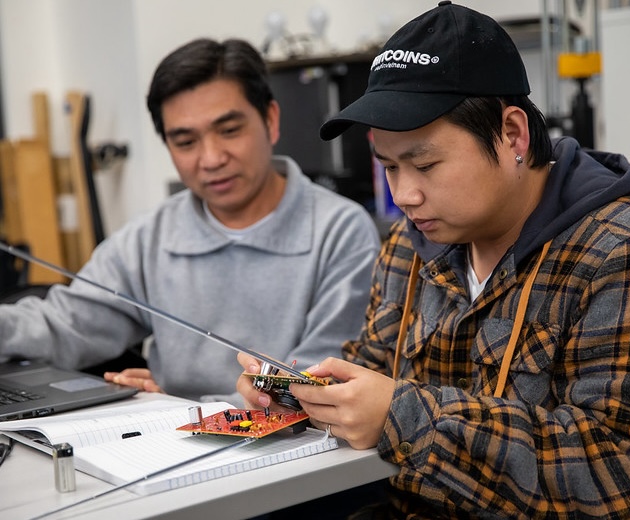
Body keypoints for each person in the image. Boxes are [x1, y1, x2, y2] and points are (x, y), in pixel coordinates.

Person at [237, 2, 630, 518]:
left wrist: (402, 416)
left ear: (512, 135)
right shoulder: (408, 248)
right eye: (389, 167)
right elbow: (370, 374)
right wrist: (301, 396)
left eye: (425, 163)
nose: (405, 196)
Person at [0, 38, 380, 404]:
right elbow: (63, 324)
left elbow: (314, 382)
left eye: (229, 131)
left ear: (271, 119)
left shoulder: (341, 232)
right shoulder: (149, 239)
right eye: (185, 142)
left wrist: (181, 409)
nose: (211, 158)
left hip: (296, 452)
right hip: (174, 441)